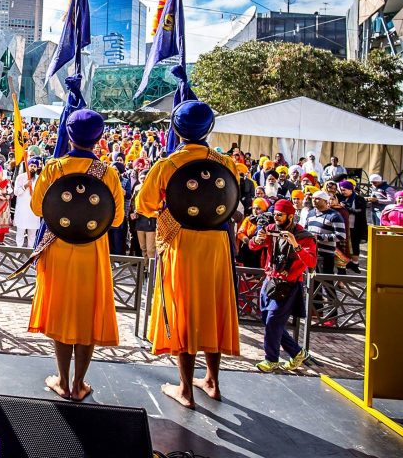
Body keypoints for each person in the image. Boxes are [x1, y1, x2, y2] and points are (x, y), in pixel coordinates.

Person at [136, 101, 239, 409]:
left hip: (181, 242)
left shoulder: (168, 165)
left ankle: (186, 389)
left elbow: (144, 205)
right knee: (212, 307)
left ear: (176, 130)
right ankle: (212, 380)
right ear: (209, 129)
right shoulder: (226, 162)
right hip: (217, 243)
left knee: (184, 310)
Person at [29, 109, 125, 402]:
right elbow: (118, 219)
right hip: (92, 252)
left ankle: (61, 379)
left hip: (58, 248)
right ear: (99, 139)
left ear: (68, 136)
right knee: (85, 316)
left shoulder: (54, 168)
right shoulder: (107, 173)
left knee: (61, 313)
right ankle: (79, 383)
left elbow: (36, 209)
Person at [249, 199, 317, 372]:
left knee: (272, 321)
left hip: (289, 285)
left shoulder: (305, 237)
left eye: (280, 215)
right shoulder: (271, 229)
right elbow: (253, 246)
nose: (276, 218)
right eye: (274, 215)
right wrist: (257, 239)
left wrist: (295, 244)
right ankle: (297, 352)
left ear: (291, 216)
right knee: (268, 320)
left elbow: (311, 262)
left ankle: (271, 360)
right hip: (270, 281)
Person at [13, 156, 42, 249]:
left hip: (33, 212)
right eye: (31, 165)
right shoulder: (20, 177)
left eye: (35, 166)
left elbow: (42, 194)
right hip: (22, 210)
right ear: (28, 166)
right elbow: (16, 193)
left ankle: (30, 251)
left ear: (37, 168)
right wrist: (25, 186)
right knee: (20, 232)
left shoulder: (40, 179)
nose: (32, 168)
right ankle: (18, 251)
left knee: (32, 234)